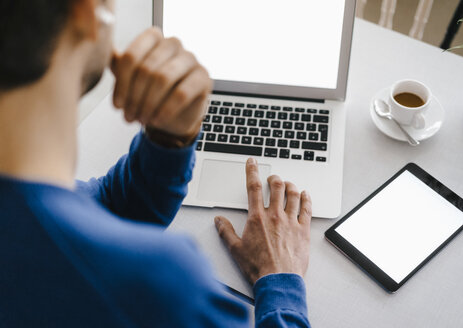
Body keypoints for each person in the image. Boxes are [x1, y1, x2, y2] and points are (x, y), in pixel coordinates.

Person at [0, 0, 312, 327]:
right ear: (88, 12)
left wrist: (169, 142)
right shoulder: (165, 288)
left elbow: (94, 212)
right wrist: (282, 282)